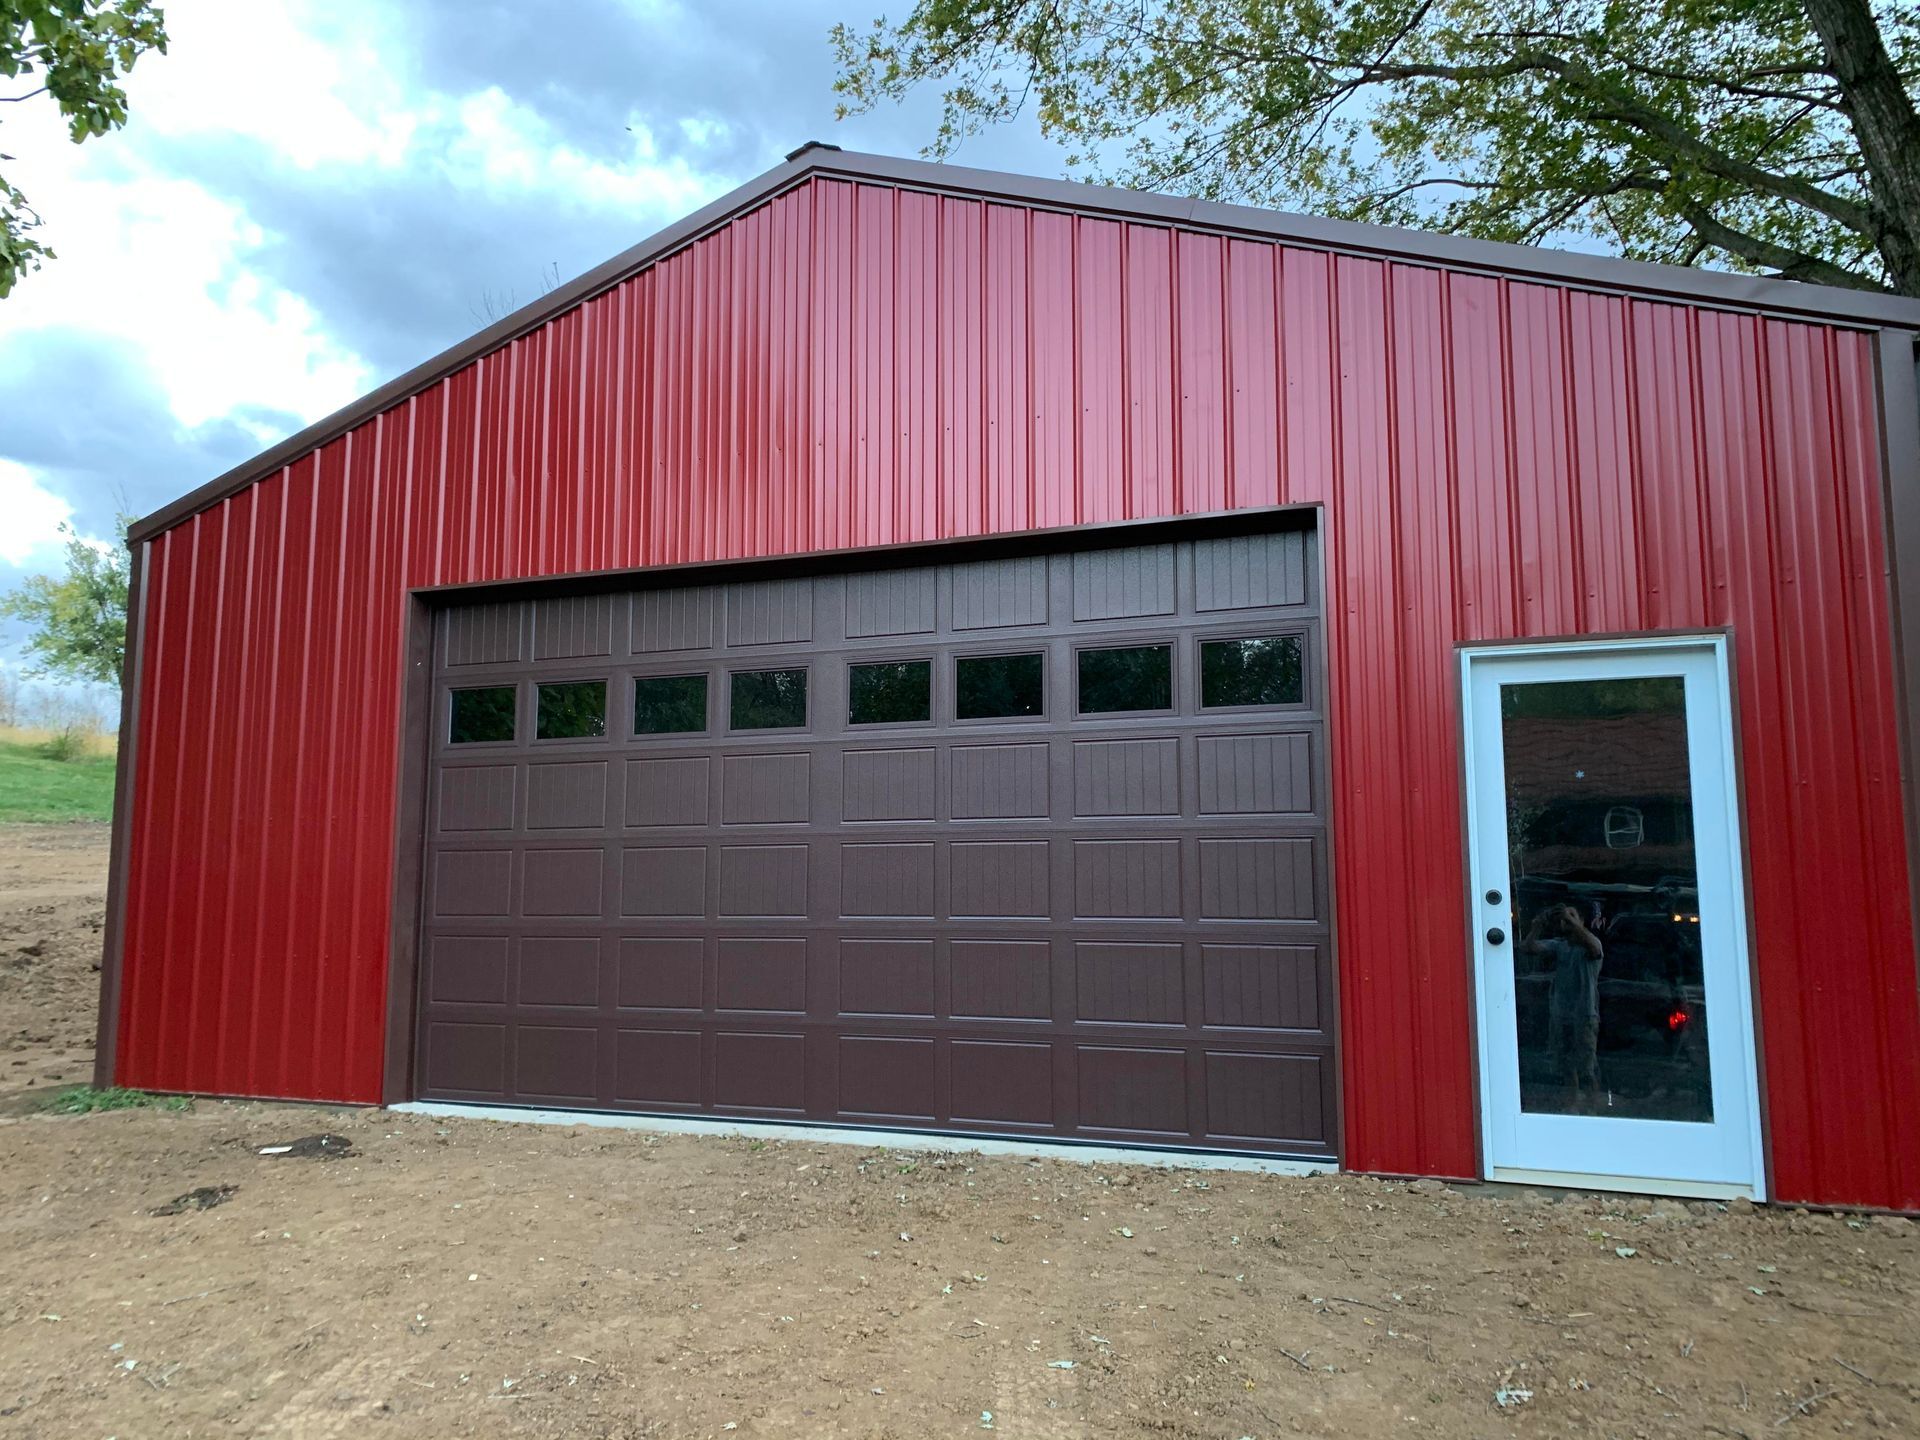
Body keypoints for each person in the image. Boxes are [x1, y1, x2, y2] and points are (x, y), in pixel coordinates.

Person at [1521, 901, 1605, 1110]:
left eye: (1571, 916)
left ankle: (1592, 1109)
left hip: (1585, 1015)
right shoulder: (1560, 945)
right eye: (1562, 918)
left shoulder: (1591, 944)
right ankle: (1571, 1107)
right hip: (1561, 1015)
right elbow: (1528, 948)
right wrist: (1536, 927)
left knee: (1587, 1068)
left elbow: (1594, 949)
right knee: (1566, 1066)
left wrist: (1571, 921)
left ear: (1582, 922)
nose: (1565, 921)